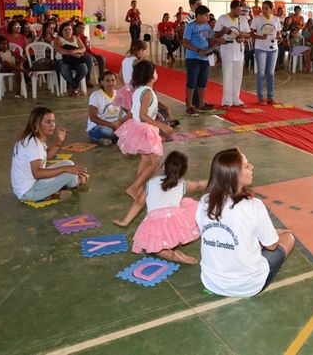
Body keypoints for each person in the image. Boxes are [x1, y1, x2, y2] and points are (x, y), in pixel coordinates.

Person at [196, 148, 296, 297]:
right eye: (247, 166)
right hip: (247, 286)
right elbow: (271, 245)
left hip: (211, 281)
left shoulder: (204, 201)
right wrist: (271, 235)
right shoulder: (253, 205)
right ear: (235, 174)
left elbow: (212, 232)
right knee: (288, 238)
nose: (252, 167)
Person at [114, 151, 206, 265]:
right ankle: (171, 241)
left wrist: (125, 221)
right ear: (184, 172)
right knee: (188, 205)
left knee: (153, 247)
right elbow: (198, 185)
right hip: (175, 220)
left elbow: (138, 203)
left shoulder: (151, 183)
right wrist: (218, 182)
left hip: (155, 222)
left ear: (163, 167)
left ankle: (173, 255)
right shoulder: (182, 184)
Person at [115, 60, 173, 201]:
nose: (156, 73)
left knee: (146, 159)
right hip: (143, 130)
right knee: (155, 161)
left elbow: (134, 111)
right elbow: (142, 115)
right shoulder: (147, 92)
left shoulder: (139, 90)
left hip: (137, 127)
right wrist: (161, 125)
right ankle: (134, 187)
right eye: (155, 71)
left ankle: (139, 188)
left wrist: (121, 121)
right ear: (151, 75)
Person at [11, 107, 88, 202]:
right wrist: (66, 169)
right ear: (36, 124)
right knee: (70, 174)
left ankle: (61, 188)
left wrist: (59, 142)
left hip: (28, 185)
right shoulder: (34, 144)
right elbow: (37, 173)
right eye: (48, 122)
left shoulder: (32, 138)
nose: (52, 125)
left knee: (68, 163)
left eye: (53, 121)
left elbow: (46, 156)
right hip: (29, 191)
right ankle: (77, 182)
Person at [214, 0, 250, 107]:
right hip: (227, 50)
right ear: (232, 9)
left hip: (239, 50)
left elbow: (248, 34)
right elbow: (216, 34)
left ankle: (236, 99)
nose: (239, 12)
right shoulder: (223, 18)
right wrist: (223, 32)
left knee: (238, 76)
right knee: (227, 76)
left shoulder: (243, 19)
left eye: (241, 10)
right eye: (238, 10)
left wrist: (242, 36)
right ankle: (227, 101)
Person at [182, 5, 216, 116]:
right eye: (205, 15)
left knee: (202, 82)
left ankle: (201, 104)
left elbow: (210, 38)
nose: (207, 17)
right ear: (199, 16)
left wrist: (213, 46)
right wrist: (198, 50)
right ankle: (189, 106)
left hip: (204, 58)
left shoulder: (206, 26)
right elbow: (185, 43)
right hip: (193, 58)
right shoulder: (190, 26)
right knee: (192, 82)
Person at [251, 0, 281, 105]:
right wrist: (260, 37)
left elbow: (278, 32)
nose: (263, 10)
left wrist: (279, 37)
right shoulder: (257, 19)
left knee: (271, 73)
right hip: (260, 48)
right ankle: (260, 97)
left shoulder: (276, 19)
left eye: (266, 8)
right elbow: (251, 33)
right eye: (262, 8)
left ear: (271, 9)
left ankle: (270, 97)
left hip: (273, 49)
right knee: (260, 73)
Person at [87, 71, 125, 145]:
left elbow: (128, 110)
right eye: (107, 81)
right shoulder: (95, 95)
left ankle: (104, 139)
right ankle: (96, 136)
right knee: (107, 131)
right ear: (102, 82)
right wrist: (111, 125)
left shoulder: (118, 94)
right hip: (97, 127)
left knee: (130, 127)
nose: (111, 83)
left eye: (113, 80)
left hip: (114, 125)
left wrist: (120, 122)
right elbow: (93, 118)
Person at [53, 22, 88, 96]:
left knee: (84, 69)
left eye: (69, 29)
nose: (68, 31)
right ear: (61, 31)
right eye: (65, 30)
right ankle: (75, 87)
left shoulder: (76, 38)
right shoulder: (57, 39)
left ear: (72, 30)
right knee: (64, 69)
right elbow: (60, 50)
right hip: (62, 59)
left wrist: (75, 51)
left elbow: (83, 49)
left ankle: (73, 86)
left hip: (75, 59)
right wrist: (74, 54)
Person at [113, 39, 147, 111]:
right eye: (143, 51)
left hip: (126, 89)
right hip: (135, 88)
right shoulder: (136, 61)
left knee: (130, 110)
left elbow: (120, 76)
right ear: (139, 51)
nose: (143, 53)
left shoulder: (125, 60)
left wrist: (127, 85)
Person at [73, 22, 105, 88]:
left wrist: (93, 53)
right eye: (80, 28)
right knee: (89, 58)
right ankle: (87, 79)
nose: (82, 29)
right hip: (79, 54)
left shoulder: (82, 36)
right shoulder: (73, 37)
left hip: (87, 52)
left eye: (83, 28)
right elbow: (76, 48)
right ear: (76, 28)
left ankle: (101, 78)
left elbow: (87, 48)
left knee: (101, 58)